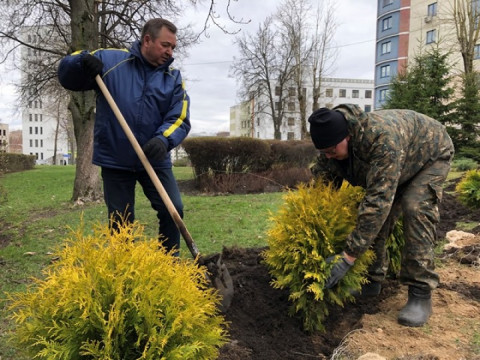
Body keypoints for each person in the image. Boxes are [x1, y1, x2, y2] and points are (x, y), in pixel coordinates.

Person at [308, 104, 454, 327]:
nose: (329, 156)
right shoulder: (331, 150)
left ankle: (420, 292)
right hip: (400, 160)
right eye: (324, 152)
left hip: (430, 155)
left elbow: (377, 203)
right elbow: (321, 192)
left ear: (347, 135)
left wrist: (348, 257)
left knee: (415, 208)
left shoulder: (380, 140)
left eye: (332, 150)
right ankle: (371, 280)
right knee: (369, 216)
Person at [58, 18, 190, 255]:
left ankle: (170, 267)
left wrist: (163, 139)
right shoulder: (111, 61)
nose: (170, 52)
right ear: (147, 40)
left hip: (154, 159)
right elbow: (67, 74)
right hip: (116, 159)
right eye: (165, 45)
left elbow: (179, 118)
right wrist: (80, 62)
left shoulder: (172, 79)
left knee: (174, 210)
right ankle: (124, 273)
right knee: (121, 223)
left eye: (173, 47)